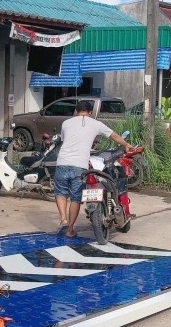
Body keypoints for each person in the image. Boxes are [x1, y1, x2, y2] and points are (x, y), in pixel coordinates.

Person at [54, 100, 132, 238]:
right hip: (79, 165)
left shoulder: (66, 123)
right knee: (75, 198)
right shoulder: (96, 124)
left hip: (62, 162)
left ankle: (63, 219)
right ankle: (70, 229)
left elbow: (66, 140)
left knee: (60, 192)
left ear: (76, 111)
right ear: (90, 112)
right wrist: (126, 145)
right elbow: (114, 135)